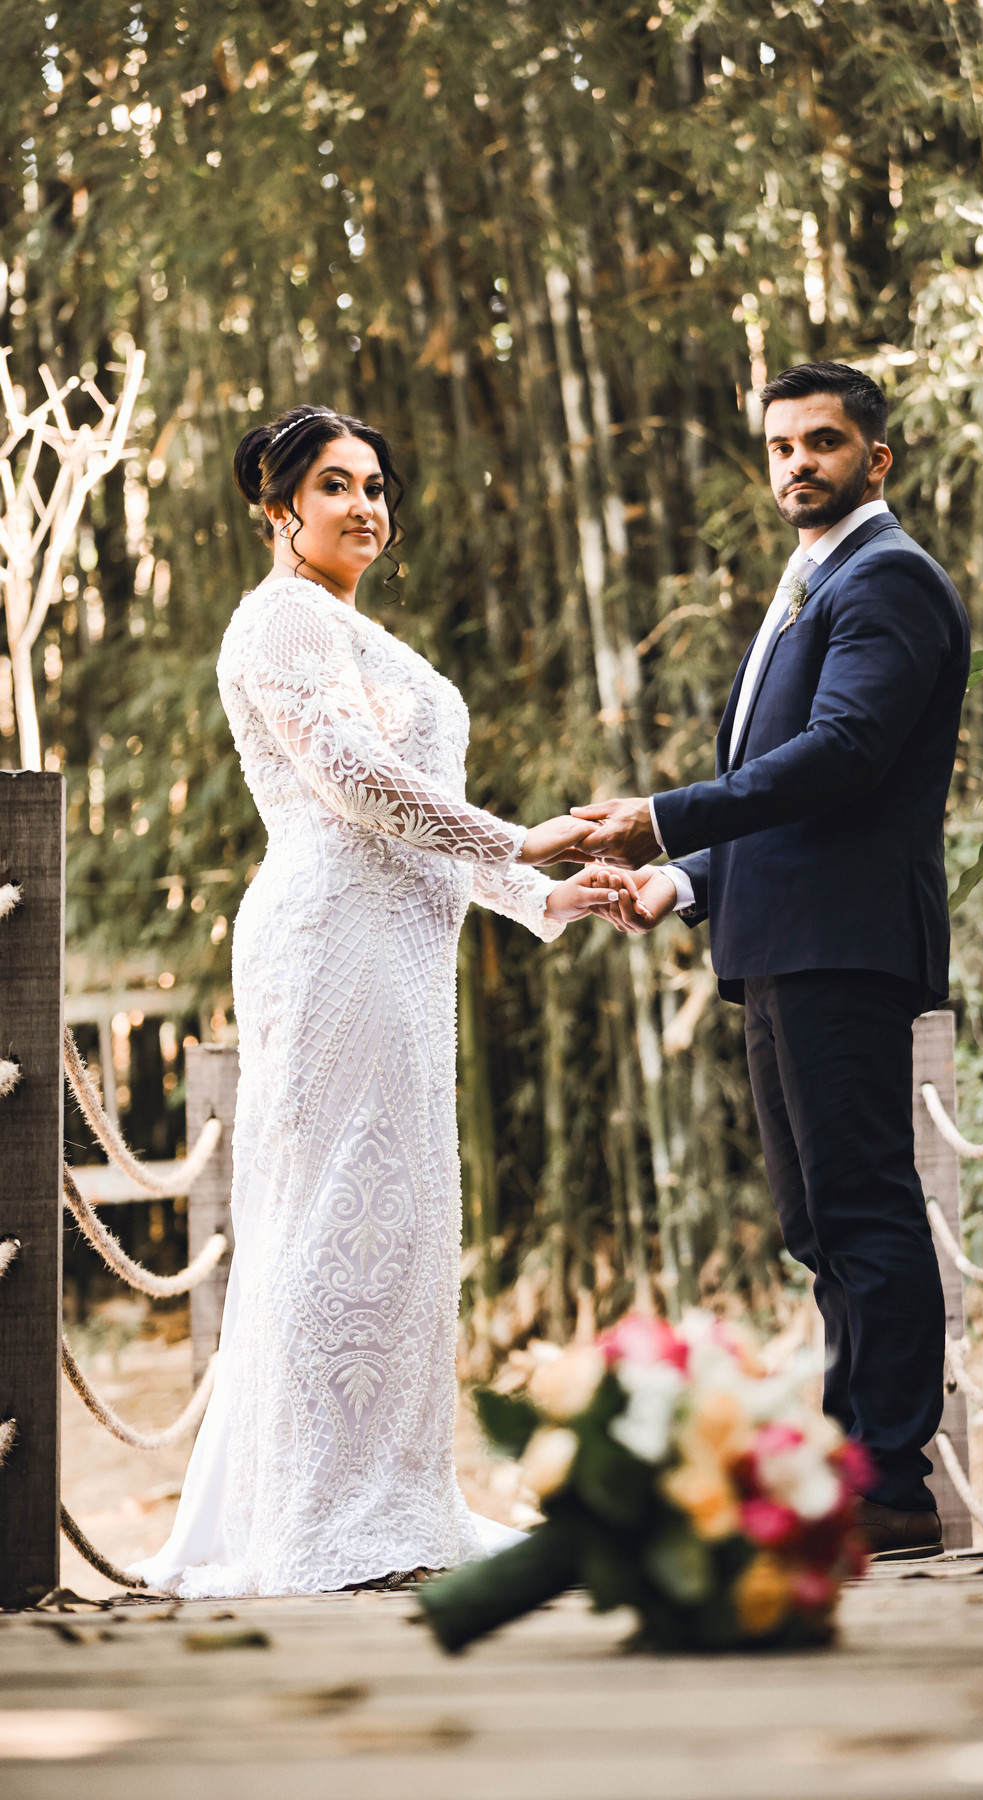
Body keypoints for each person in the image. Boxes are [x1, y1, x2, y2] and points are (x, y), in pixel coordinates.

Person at [133, 405, 631, 1598]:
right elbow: (355, 781)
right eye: (335, 485)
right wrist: (522, 837)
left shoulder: (350, 627)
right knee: (333, 1212)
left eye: (375, 486)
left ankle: (391, 1501)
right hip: (331, 939)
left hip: (400, 944)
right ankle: (319, 1518)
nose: (365, 505)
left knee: (397, 1221)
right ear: (279, 510)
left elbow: (413, 816)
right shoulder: (279, 619)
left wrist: (542, 895)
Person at [573, 363, 971, 1556]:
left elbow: (843, 756)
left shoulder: (887, 578)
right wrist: (682, 879)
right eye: (782, 445)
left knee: (863, 1207)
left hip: (843, 942)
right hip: (783, 941)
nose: (798, 462)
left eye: (823, 442)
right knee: (819, 1224)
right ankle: (855, 1470)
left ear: (876, 458)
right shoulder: (814, 580)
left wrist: (664, 817)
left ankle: (892, 1483)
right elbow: (783, 793)